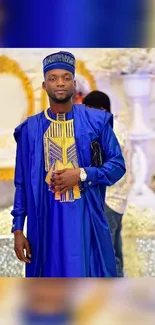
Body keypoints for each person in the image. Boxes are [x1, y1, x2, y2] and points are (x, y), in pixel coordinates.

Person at [11, 51, 126, 278]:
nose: (60, 83)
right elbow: (22, 183)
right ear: (44, 85)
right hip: (45, 224)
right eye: (53, 78)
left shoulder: (96, 122)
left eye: (65, 77)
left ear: (74, 82)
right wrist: (17, 229)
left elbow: (117, 165)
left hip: (86, 221)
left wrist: (83, 174)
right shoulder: (30, 130)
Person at [83, 90, 131, 277]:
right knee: (113, 253)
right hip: (117, 200)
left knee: (105, 256)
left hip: (108, 199)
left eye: (89, 111)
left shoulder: (110, 130)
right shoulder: (118, 127)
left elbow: (106, 167)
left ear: (102, 110)